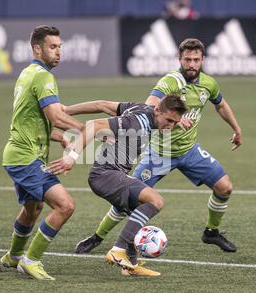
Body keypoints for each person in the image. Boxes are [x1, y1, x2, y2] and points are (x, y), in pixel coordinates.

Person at [75, 38, 243, 255]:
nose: (191, 64)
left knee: (225, 187)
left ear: (203, 60)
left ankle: (211, 232)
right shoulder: (170, 81)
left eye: (196, 60)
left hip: (189, 150)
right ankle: (97, 237)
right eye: (187, 59)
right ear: (180, 59)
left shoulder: (208, 84)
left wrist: (236, 129)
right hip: (158, 154)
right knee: (127, 201)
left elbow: (220, 104)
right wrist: (176, 119)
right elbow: (150, 104)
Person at [0, 25, 116, 281]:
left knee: (33, 207)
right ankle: (31, 260)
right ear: (37, 48)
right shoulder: (43, 77)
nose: (58, 52)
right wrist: (88, 130)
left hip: (20, 154)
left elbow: (32, 120)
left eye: (60, 47)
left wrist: (62, 136)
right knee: (65, 205)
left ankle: (14, 255)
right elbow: (55, 116)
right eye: (53, 47)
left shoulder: (27, 73)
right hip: (25, 158)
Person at [48, 95, 187, 276]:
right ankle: (118, 250)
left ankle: (129, 265)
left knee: (137, 212)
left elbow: (102, 104)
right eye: (169, 120)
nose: (171, 126)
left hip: (111, 175)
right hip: (106, 175)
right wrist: (71, 157)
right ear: (158, 111)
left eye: (175, 122)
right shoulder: (135, 122)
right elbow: (93, 126)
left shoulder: (142, 109)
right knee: (156, 201)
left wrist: (66, 109)